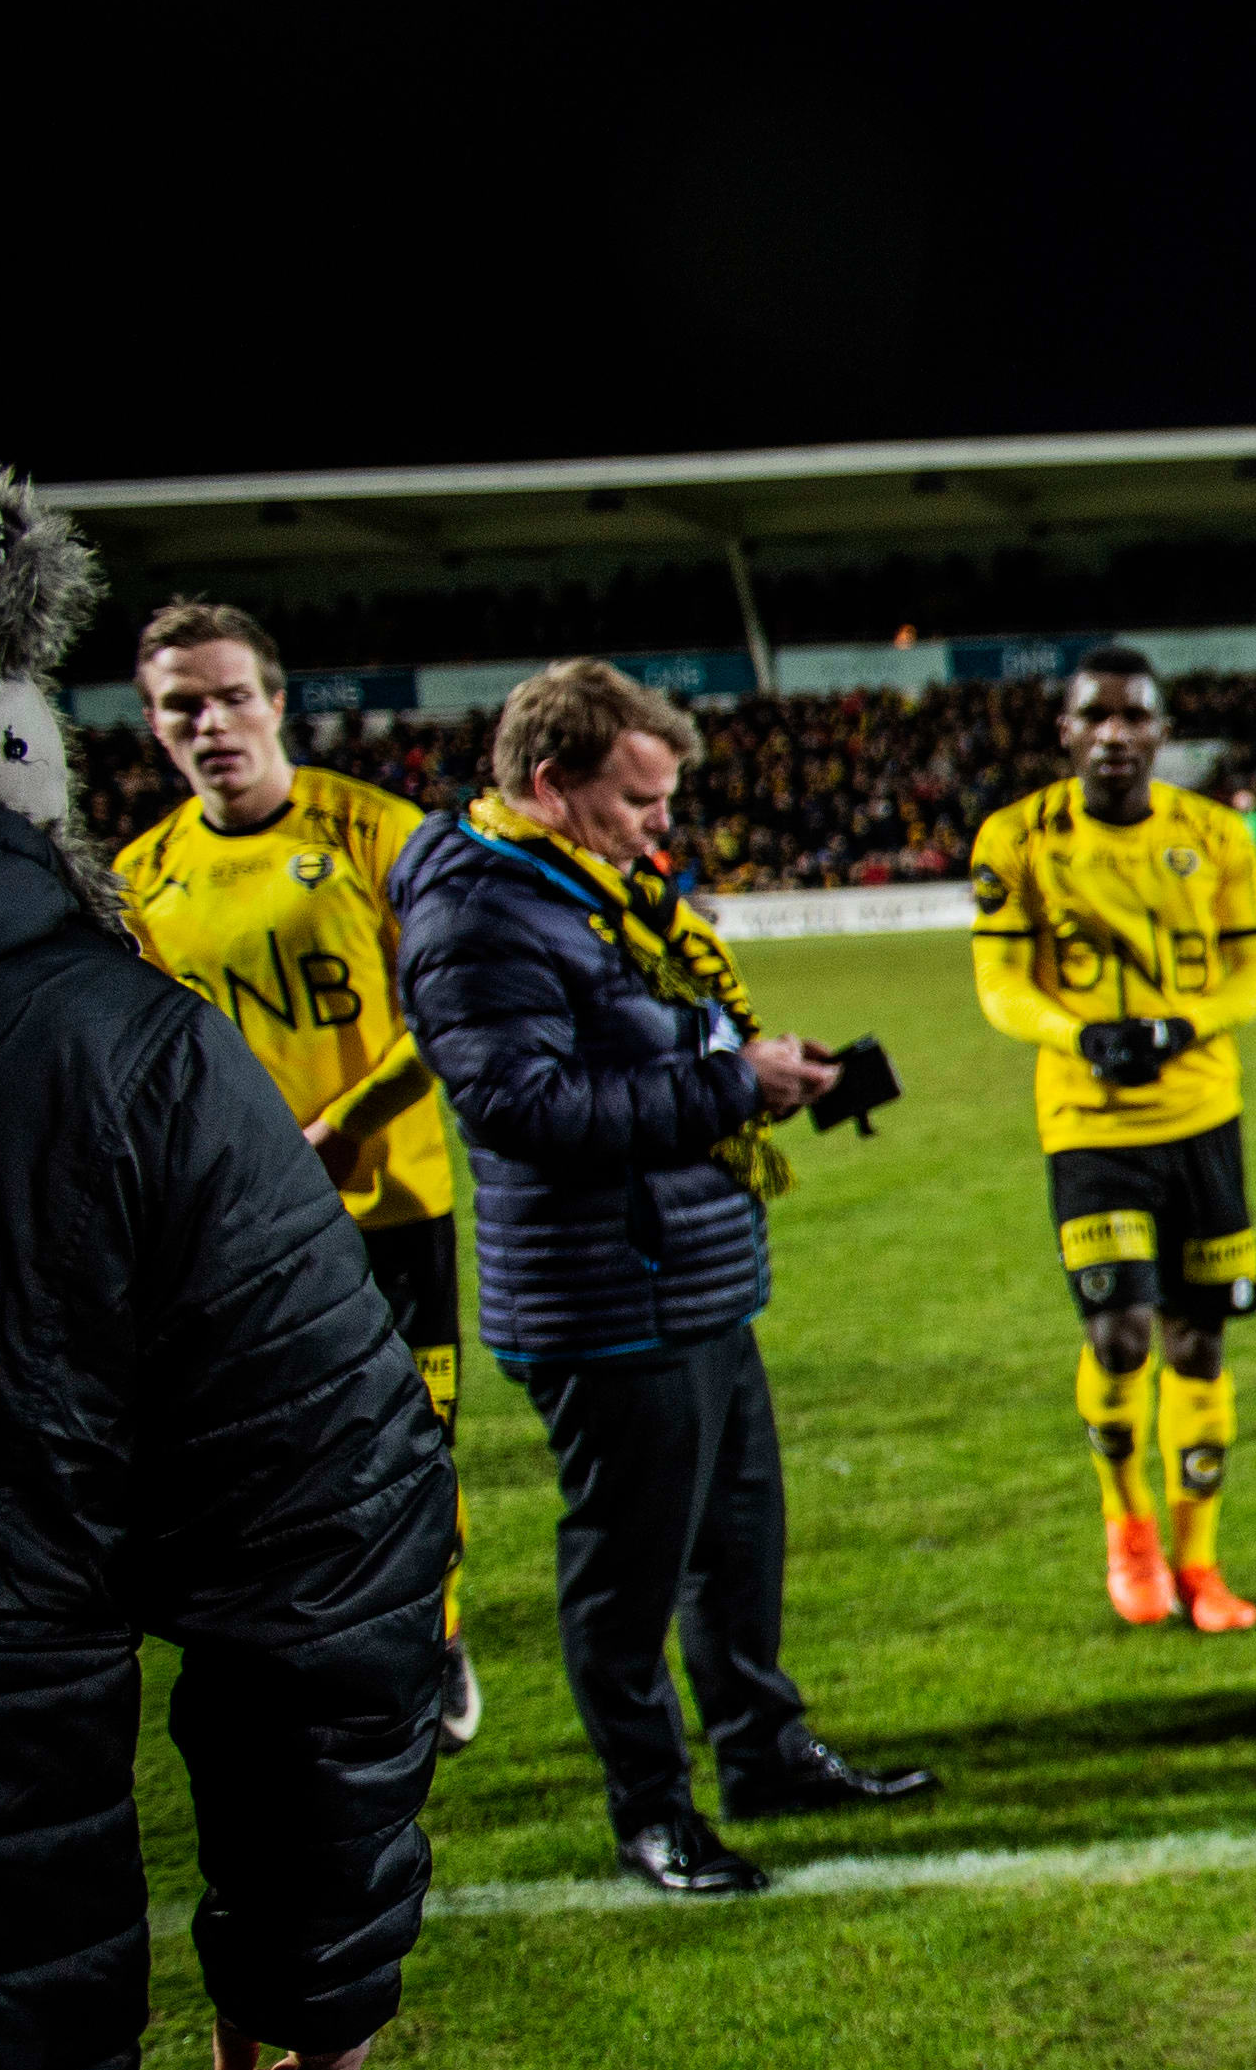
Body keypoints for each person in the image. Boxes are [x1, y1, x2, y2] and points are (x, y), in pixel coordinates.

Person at [0, 471, 446, 2070]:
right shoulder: (103, 978)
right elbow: (318, 1548)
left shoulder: (370, 843)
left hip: (366, 1229)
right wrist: (313, 1942)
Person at [392, 658, 936, 1895]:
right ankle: (650, 1809)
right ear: (550, 785)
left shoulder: (584, 891)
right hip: (600, 1294)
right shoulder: (479, 912)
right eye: (639, 799)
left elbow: (636, 1046)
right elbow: (521, 1108)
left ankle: (762, 1752)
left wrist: (757, 1073)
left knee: (736, 1541)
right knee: (629, 1571)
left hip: (686, 1268)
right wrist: (732, 1084)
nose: (661, 824)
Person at [114, 596, 483, 1742]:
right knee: (273, 1456)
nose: (212, 722)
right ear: (154, 724)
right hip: (237, 1224)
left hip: (392, 1203)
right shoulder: (137, 879)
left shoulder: (382, 833)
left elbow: (454, 1009)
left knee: (411, 1445)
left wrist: (347, 1124)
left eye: (232, 696)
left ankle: (435, 1636)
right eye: (184, 705)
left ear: (276, 703)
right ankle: (322, 1651)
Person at [971, 649, 1256, 1630]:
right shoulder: (1016, 837)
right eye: (1095, 717)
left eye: (1134, 716)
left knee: (1199, 1340)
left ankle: (1201, 1563)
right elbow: (1000, 983)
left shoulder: (1214, 834)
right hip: (1088, 1124)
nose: (1114, 734)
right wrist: (1078, 1036)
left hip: (1202, 1118)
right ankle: (1129, 1532)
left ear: (1161, 732)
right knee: (1117, 1335)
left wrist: (1187, 1025)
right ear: (1065, 731)